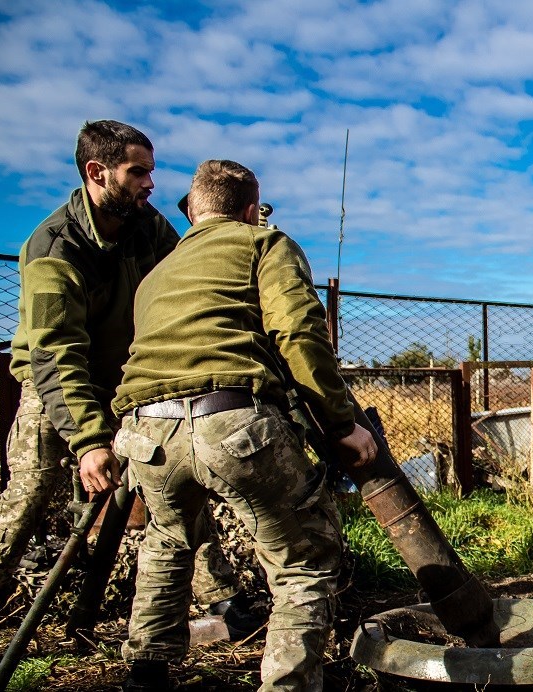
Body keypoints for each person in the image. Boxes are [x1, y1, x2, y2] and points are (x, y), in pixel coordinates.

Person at [110, 159, 377, 691]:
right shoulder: (264, 244)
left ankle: (145, 675)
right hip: (230, 423)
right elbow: (298, 332)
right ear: (252, 209)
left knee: (167, 542)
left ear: (194, 211)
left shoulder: (158, 271)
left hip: (146, 433)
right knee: (303, 560)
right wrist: (343, 424)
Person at [0, 120, 255, 628]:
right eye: (137, 172)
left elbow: (184, 282)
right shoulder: (54, 248)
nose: (150, 184)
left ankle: (219, 594)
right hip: (59, 387)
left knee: (175, 480)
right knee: (29, 494)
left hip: (127, 379)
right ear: (97, 172)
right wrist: (90, 440)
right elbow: (55, 354)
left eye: (151, 173)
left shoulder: (149, 227)